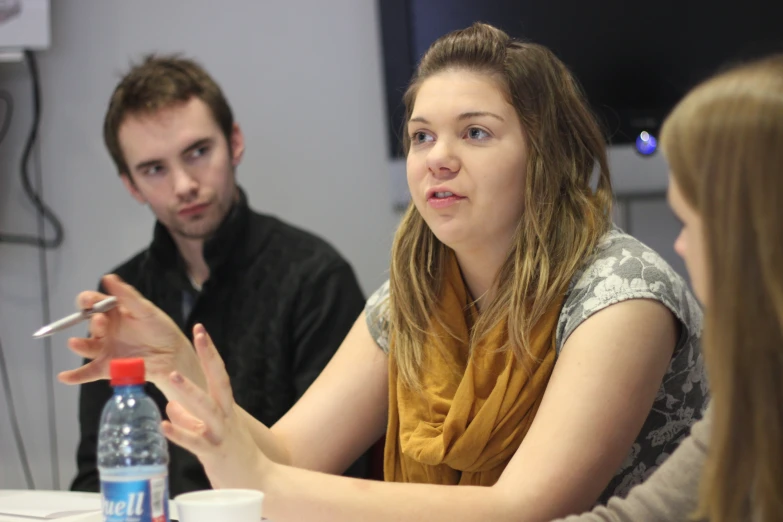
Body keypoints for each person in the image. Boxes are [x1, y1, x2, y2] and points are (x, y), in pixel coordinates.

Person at [62, 24, 706, 520]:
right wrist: (171, 364)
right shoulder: (414, 296)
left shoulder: (621, 292)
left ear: (545, 156)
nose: (438, 159)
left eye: (475, 133)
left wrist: (268, 482)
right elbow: (280, 458)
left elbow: (525, 509)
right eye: (422, 136)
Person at [64, 54, 368, 496]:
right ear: (131, 185)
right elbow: (98, 477)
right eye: (155, 169)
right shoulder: (122, 302)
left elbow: (342, 474)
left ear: (235, 142)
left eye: (198, 152)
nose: (184, 184)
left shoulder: (316, 278)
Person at [555, 54, 783, 522]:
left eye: (687, 221)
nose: (678, 244)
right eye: (421, 136)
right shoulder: (764, 382)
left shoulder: (627, 287)